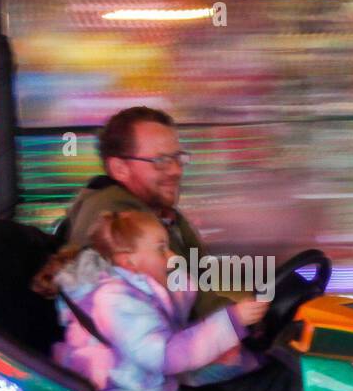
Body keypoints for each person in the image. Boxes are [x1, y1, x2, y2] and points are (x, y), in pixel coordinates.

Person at [32, 210, 295, 391]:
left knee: (266, 371)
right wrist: (232, 320)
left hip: (149, 383)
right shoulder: (113, 300)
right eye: (161, 249)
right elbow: (165, 356)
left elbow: (174, 336)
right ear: (129, 261)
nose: (171, 256)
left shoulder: (140, 288)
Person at [61, 105, 235, 318]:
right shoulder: (118, 220)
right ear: (119, 169)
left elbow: (206, 278)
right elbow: (196, 306)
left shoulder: (162, 213)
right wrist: (250, 323)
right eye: (160, 161)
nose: (176, 170)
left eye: (178, 158)